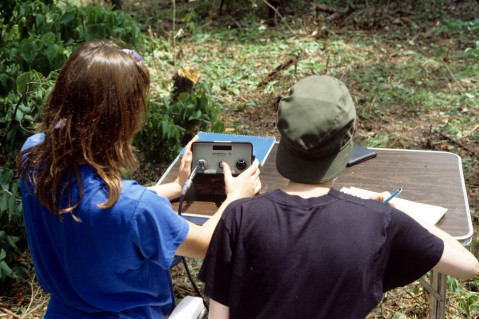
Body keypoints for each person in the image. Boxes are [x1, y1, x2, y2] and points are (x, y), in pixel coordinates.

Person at [198, 75, 479, 319]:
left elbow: (219, 314)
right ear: (346, 144)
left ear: (285, 137)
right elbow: (468, 266)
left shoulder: (238, 215)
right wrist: (393, 205)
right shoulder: (380, 221)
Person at [16, 40, 261, 318]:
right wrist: (236, 197)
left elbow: (105, 199)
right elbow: (205, 243)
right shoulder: (134, 208)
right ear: (121, 120)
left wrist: (177, 187)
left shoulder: (34, 156)